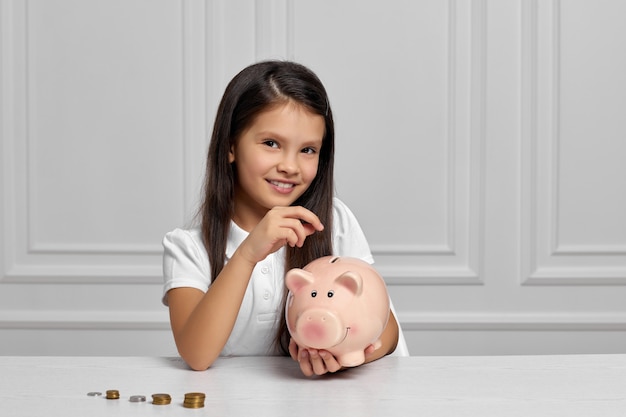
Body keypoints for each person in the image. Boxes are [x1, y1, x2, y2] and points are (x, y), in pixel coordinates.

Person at [162, 60, 408, 376]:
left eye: (307, 150)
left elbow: (387, 332)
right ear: (231, 146)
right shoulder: (188, 247)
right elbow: (197, 354)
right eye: (272, 144)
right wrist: (249, 253)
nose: (290, 166)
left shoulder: (333, 220)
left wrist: (342, 351)